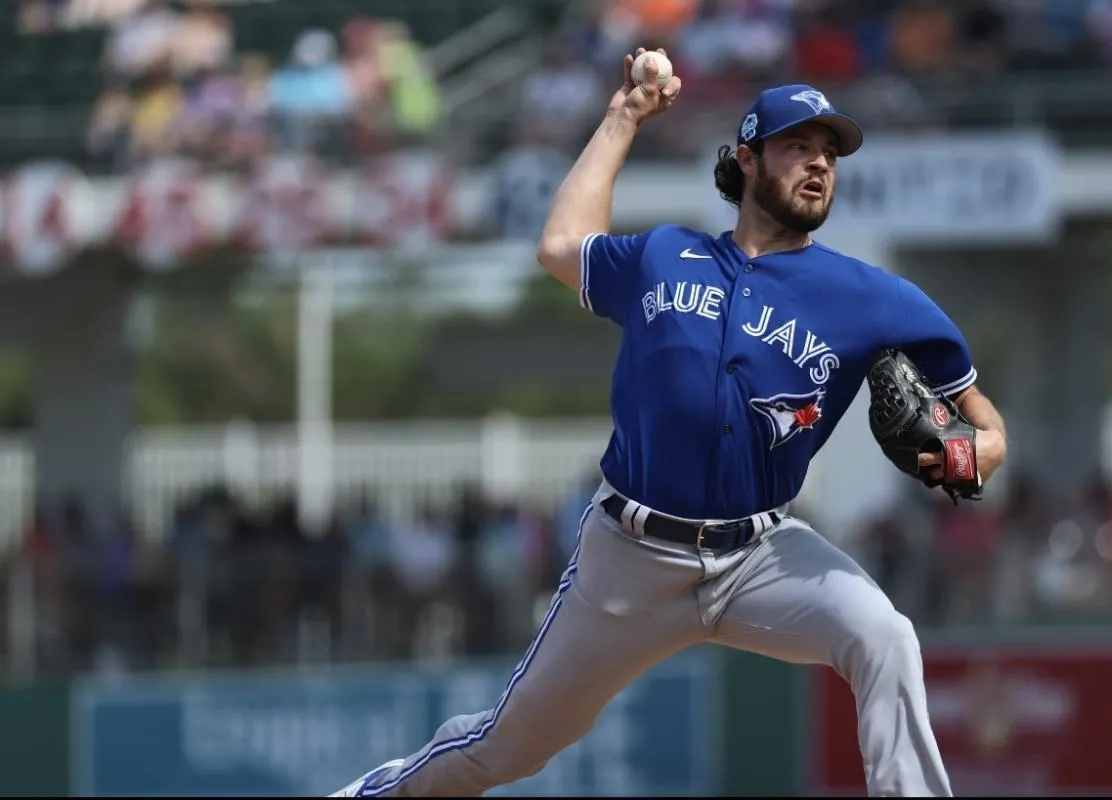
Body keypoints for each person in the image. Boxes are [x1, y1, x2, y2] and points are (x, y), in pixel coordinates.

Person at [331, 47, 1008, 799]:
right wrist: (624, 116)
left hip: (761, 556)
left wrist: (972, 452)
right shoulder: (666, 255)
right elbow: (560, 245)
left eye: (829, 153)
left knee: (883, 635)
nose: (819, 165)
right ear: (748, 159)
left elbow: (985, 427)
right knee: (509, 746)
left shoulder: (874, 298)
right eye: (798, 147)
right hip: (628, 556)